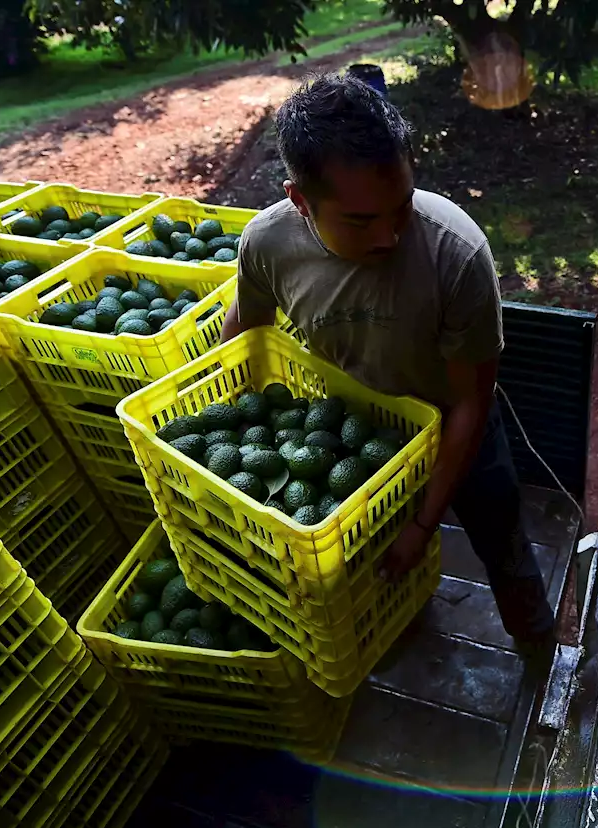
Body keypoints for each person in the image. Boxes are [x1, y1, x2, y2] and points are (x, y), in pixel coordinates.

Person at [220, 73, 554, 648]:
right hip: (356, 436)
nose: (390, 236)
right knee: (375, 562)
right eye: (359, 221)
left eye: (400, 207)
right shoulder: (267, 244)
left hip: (456, 427)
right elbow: (244, 330)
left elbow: (472, 400)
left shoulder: (456, 251)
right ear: (299, 200)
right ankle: (403, 628)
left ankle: (538, 644)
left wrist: (425, 523)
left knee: (502, 541)